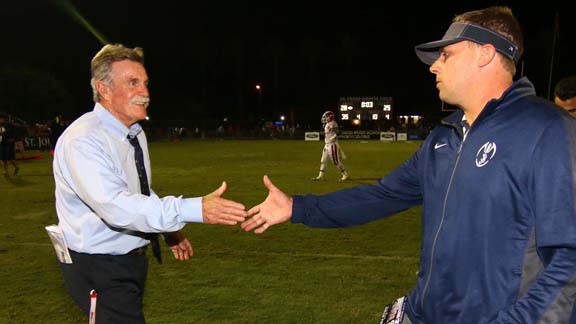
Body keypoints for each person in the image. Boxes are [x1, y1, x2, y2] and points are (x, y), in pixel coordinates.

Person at [242, 6, 576, 323]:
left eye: (446, 55)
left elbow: (569, 265)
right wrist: (297, 207)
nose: (434, 66)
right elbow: (381, 196)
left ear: (485, 53)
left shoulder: (547, 130)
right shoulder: (443, 139)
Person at [52, 44, 248, 323]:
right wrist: (193, 209)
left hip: (129, 260)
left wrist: (168, 231)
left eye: (145, 83)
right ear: (104, 89)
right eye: (132, 83)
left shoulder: (133, 133)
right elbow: (116, 205)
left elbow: (137, 191)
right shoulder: (84, 140)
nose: (145, 93)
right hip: (99, 267)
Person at [312, 110, 349, 181]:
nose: (324, 118)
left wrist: (335, 132)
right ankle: (320, 176)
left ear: (330, 117)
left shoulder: (332, 123)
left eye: (326, 117)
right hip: (327, 145)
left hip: (332, 145)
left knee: (336, 161)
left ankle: (345, 174)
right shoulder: (328, 124)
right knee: (323, 160)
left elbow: (338, 132)